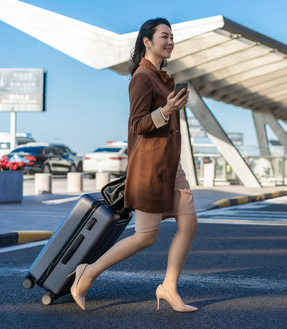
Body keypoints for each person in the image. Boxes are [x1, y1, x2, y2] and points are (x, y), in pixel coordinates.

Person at [68, 18, 198, 312]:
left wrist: (171, 107)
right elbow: (138, 125)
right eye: (164, 36)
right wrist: (167, 110)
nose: (170, 41)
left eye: (172, 37)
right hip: (152, 169)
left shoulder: (162, 77)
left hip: (170, 166)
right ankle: (86, 272)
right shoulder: (142, 77)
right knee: (145, 237)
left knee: (189, 223)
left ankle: (169, 287)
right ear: (147, 41)